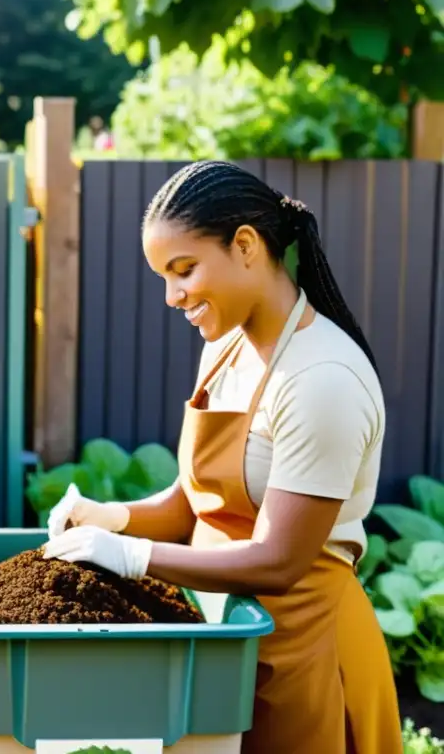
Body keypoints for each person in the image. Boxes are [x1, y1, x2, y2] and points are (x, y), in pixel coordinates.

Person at [44, 160, 402, 754]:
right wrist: (111, 518)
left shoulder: (322, 379)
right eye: (163, 276)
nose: (171, 295)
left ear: (245, 245)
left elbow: (279, 562)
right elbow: (196, 506)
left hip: (305, 656)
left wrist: (133, 557)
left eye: (183, 270)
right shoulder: (228, 348)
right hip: (223, 649)